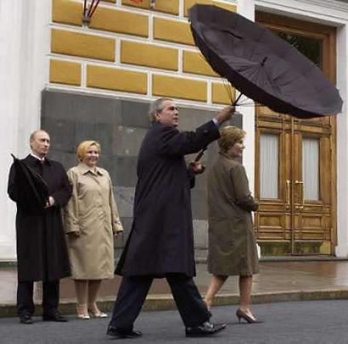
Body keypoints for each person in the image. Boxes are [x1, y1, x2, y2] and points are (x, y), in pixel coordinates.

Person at [106, 97, 235, 339]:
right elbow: (191, 140)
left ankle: (120, 323)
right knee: (177, 270)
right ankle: (197, 323)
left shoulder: (160, 139)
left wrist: (189, 172)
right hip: (162, 219)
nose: (176, 112)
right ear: (157, 116)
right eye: (171, 109)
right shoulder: (162, 134)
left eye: (177, 109)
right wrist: (219, 119)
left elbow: (166, 179)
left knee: (140, 271)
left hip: (155, 216)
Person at [7, 130, 72, 324]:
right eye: (42, 140)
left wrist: (52, 200)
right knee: (29, 265)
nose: (46, 144)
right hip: (30, 222)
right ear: (32, 143)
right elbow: (13, 191)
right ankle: (25, 310)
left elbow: (66, 190)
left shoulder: (57, 167)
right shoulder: (21, 166)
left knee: (53, 264)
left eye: (48, 141)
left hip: (51, 221)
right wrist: (34, 200)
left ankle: (51, 309)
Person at [204, 126, 260, 323]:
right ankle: (245, 308)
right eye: (239, 142)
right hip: (237, 224)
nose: (242, 147)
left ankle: (207, 301)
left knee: (222, 268)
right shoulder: (236, 168)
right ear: (229, 144)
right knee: (247, 268)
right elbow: (244, 198)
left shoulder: (214, 167)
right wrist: (256, 204)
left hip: (219, 223)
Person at [64, 140, 124, 320]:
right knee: (83, 269)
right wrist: (72, 225)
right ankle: (81, 305)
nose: (93, 156)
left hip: (102, 227)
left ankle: (92, 303)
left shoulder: (104, 174)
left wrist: (116, 223)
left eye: (96, 152)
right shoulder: (74, 174)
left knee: (99, 268)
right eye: (89, 152)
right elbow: (70, 202)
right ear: (81, 154)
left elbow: (110, 200)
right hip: (84, 228)